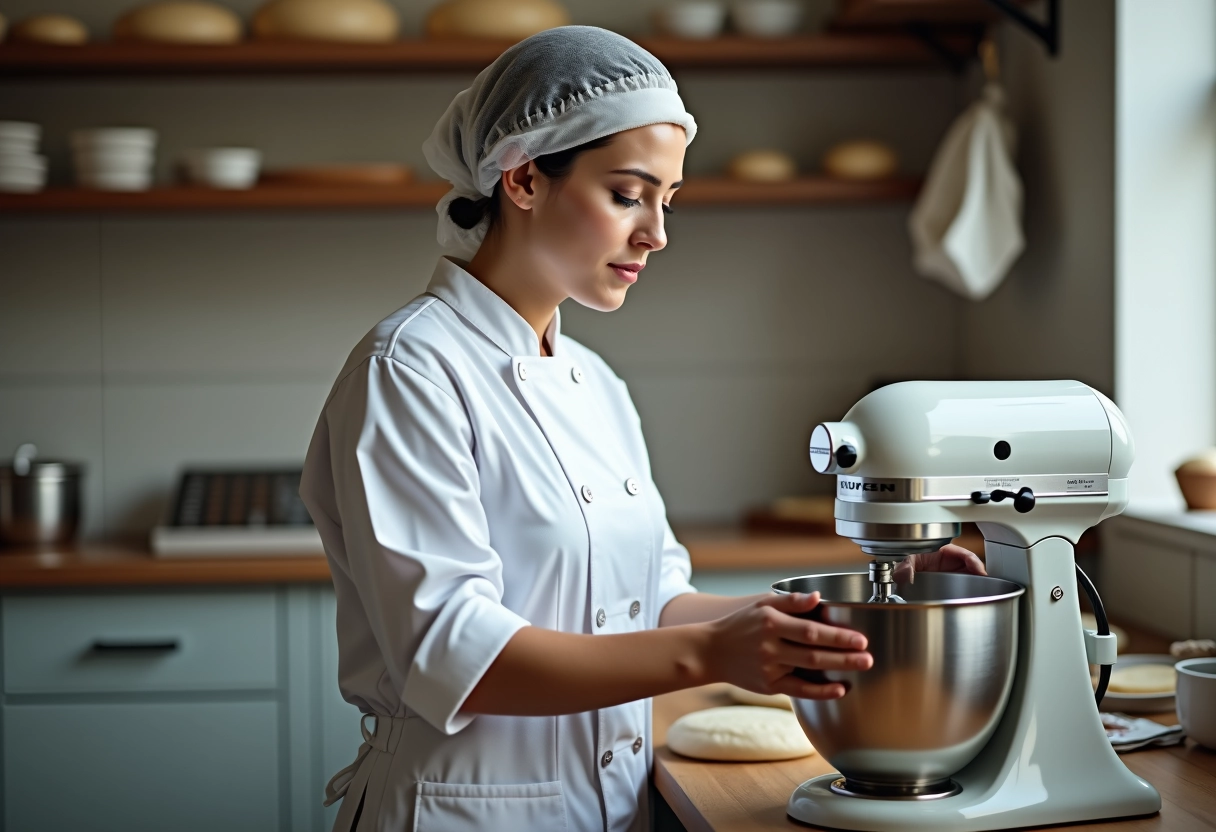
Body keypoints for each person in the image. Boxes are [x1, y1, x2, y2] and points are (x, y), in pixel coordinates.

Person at [299, 26, 984, 832]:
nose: (656, 233)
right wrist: (708, 657)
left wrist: (871, 606)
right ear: (522, 178)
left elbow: (656, 605)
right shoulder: (411, 369)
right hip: (462, 811)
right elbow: (455, 654)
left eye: (667, 200)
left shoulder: (597, 383)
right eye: (628, 194)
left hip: (611, 810)